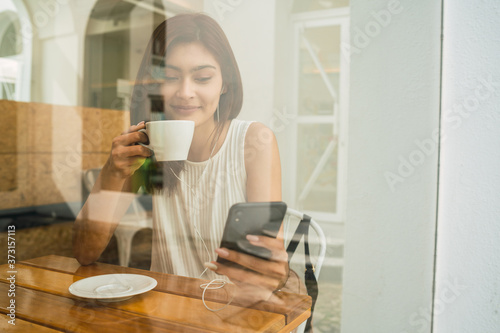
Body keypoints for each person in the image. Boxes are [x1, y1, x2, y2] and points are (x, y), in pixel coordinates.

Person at [73, 13, 300, 303]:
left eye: (203, 78)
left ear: (225, 83)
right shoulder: (147, 148)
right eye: (169, 77)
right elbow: (84, 252)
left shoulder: (254, 142)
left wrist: (275, 270)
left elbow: (267, 270)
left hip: (232, 313)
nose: (185, 92)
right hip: (166, 312)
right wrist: (111, 174)